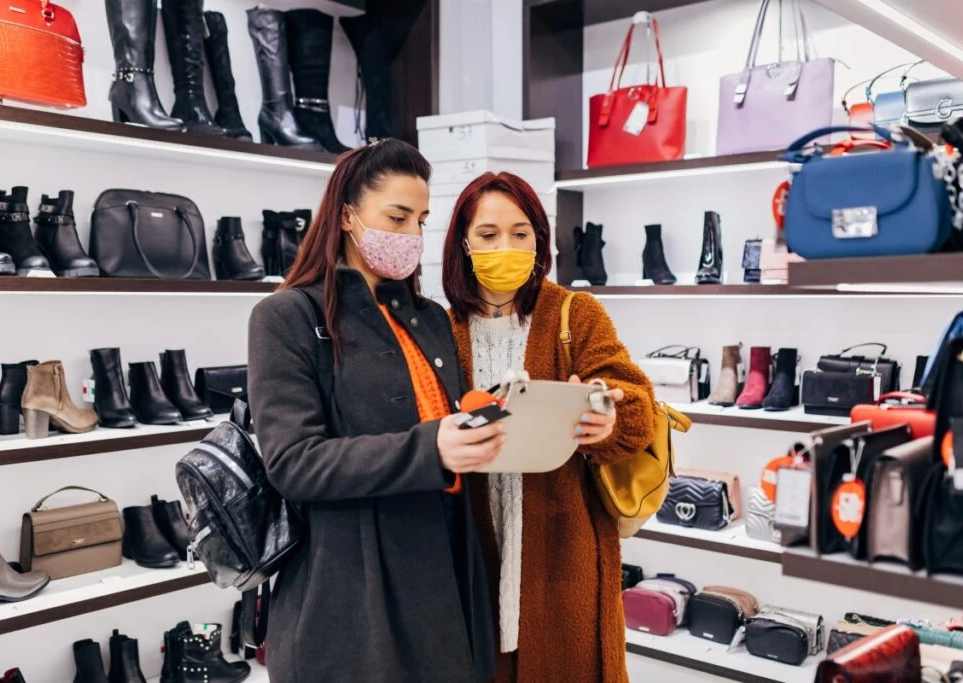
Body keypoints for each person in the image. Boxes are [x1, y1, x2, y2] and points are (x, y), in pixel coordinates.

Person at [247, 140, 499, 683]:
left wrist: (495, 417)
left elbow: (436, 418)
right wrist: (430, 447)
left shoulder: (430, 318)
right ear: (346, 215)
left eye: (421, 220)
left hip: (445, 568)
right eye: (397, 217)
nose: (411, 235)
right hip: (350, 586)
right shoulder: (286, 317)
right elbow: (293, 462)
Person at [442, 171, 657, 682]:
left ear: (540, 240)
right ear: (463, 243)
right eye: (489, 234)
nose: (507, 246)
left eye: (521, 233)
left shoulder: (572, 313)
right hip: (470, 537)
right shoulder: (441, 325)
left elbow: (637, 405)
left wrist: (607, 417)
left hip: (563, 540)